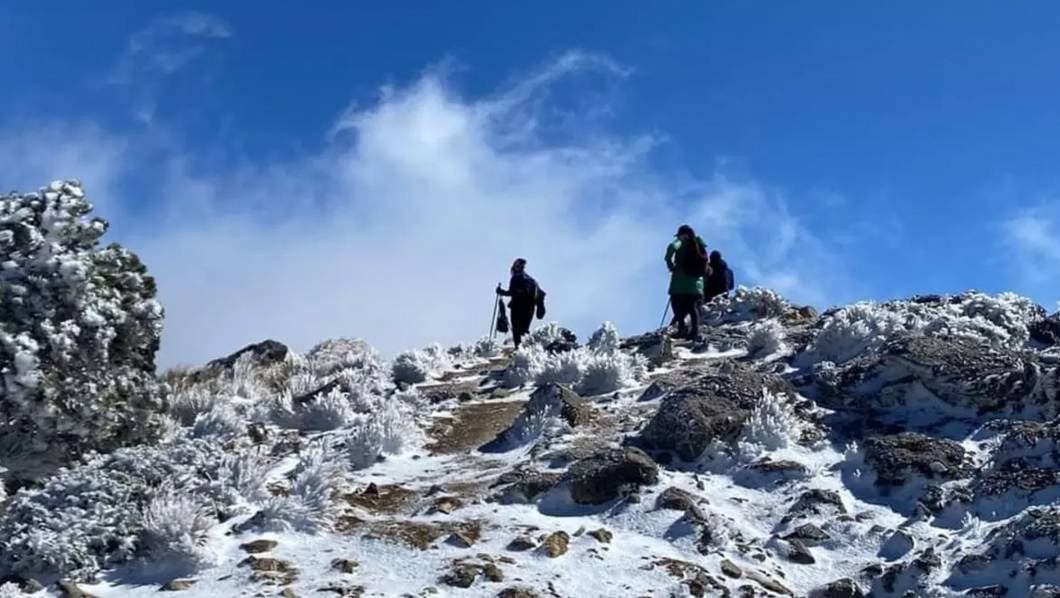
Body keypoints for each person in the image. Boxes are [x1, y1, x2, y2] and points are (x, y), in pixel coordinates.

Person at [665, 225, 708, 341]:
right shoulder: (700, 244)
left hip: (681, 282)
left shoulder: (681, 243)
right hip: (697, 284)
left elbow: (671, 248)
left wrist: (670, 264)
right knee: (692, 306)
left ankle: (682, 329)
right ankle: (694, 331)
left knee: (676, 305)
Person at [496, 258, 544, 349]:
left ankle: (519, 350)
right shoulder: (532, 280)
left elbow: (512, 292)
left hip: (518, 307)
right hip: (530, 308)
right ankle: (528, 349)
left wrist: (500, 292)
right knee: (524, 330)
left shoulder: (516, 277)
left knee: (517, 330)